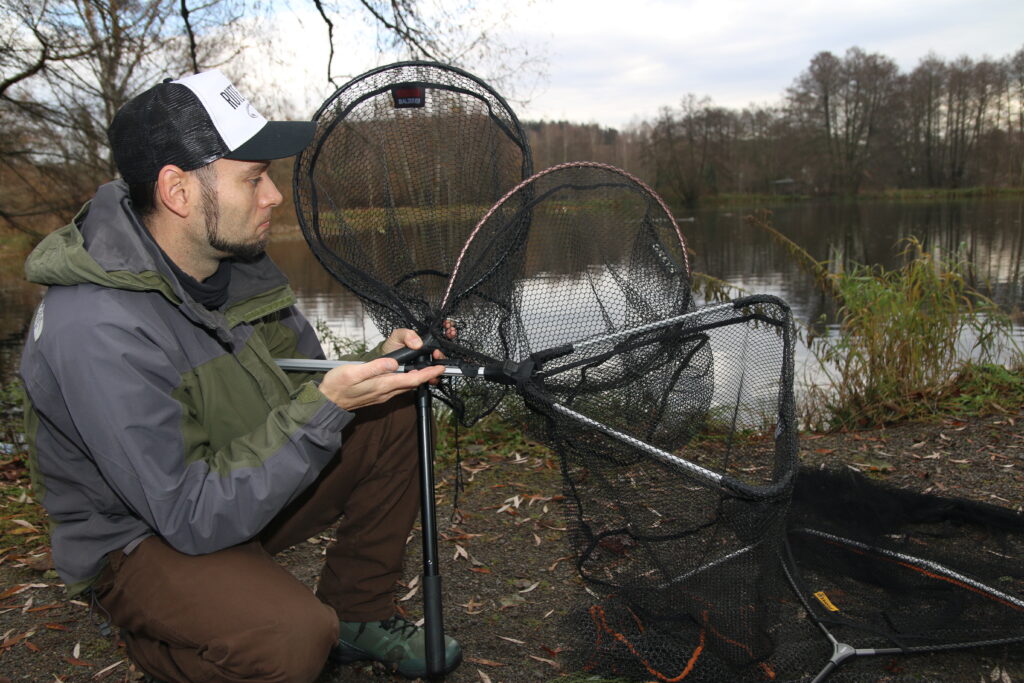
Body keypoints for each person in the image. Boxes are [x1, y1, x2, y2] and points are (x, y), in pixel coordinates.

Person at [19, 69, 462, 682]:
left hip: (232, 485)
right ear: (177, 191)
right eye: (253, 177)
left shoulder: (237, 265)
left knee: (394, 416)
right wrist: (326, 407)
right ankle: (167, 643)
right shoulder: (96, 327)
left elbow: (301, 398)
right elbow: (189, 513)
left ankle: (357, 613)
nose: (274, 195)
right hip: (142, 538)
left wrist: (372, 370)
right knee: (290, 638)